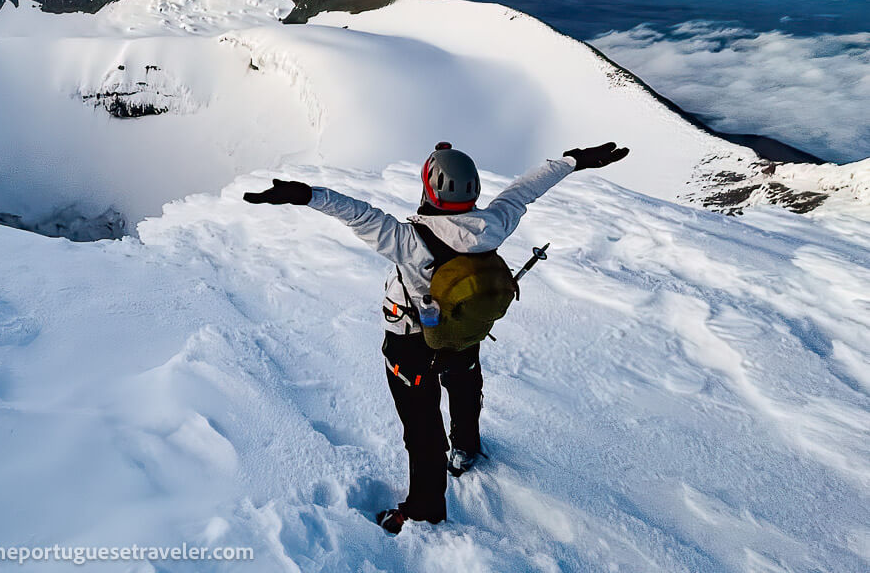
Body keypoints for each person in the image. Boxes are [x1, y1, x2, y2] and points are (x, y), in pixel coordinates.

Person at [244, 141, 629, 534]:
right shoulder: (494, 224)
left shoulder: (409, 241)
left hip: (411, 342)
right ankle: (466, 447)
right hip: (465, 330)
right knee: (464, 382)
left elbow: (358, 214)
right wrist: (573, 161)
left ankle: (426, 509)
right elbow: (524, 190)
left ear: (429, 189)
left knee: (422, 426)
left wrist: (306, 194)